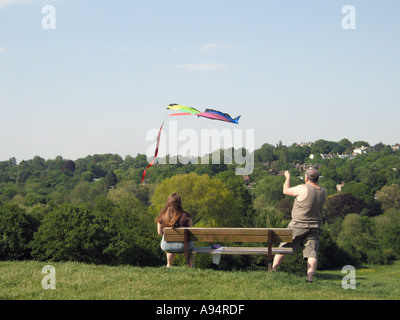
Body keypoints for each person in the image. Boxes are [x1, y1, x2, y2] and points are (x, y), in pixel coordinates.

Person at [272, 168, 326, 282]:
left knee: (283, 247)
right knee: (312, 253)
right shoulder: (323, 191)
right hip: (315, 226)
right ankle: (309, 279)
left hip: (298, 225)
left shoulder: (303, 188)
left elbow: (285, 190)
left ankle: (273, 271)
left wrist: (288, 178)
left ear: (306, 178)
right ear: (317, 179)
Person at [156, 193, 194, 267]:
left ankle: (169, 265)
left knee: (168, 240)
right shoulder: (186, 216)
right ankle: (191, 265)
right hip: (184, 246)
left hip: (166, 246)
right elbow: (191, 231)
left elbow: (159, 232)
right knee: (190, 241)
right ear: (180, 203)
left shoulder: (162, 217)